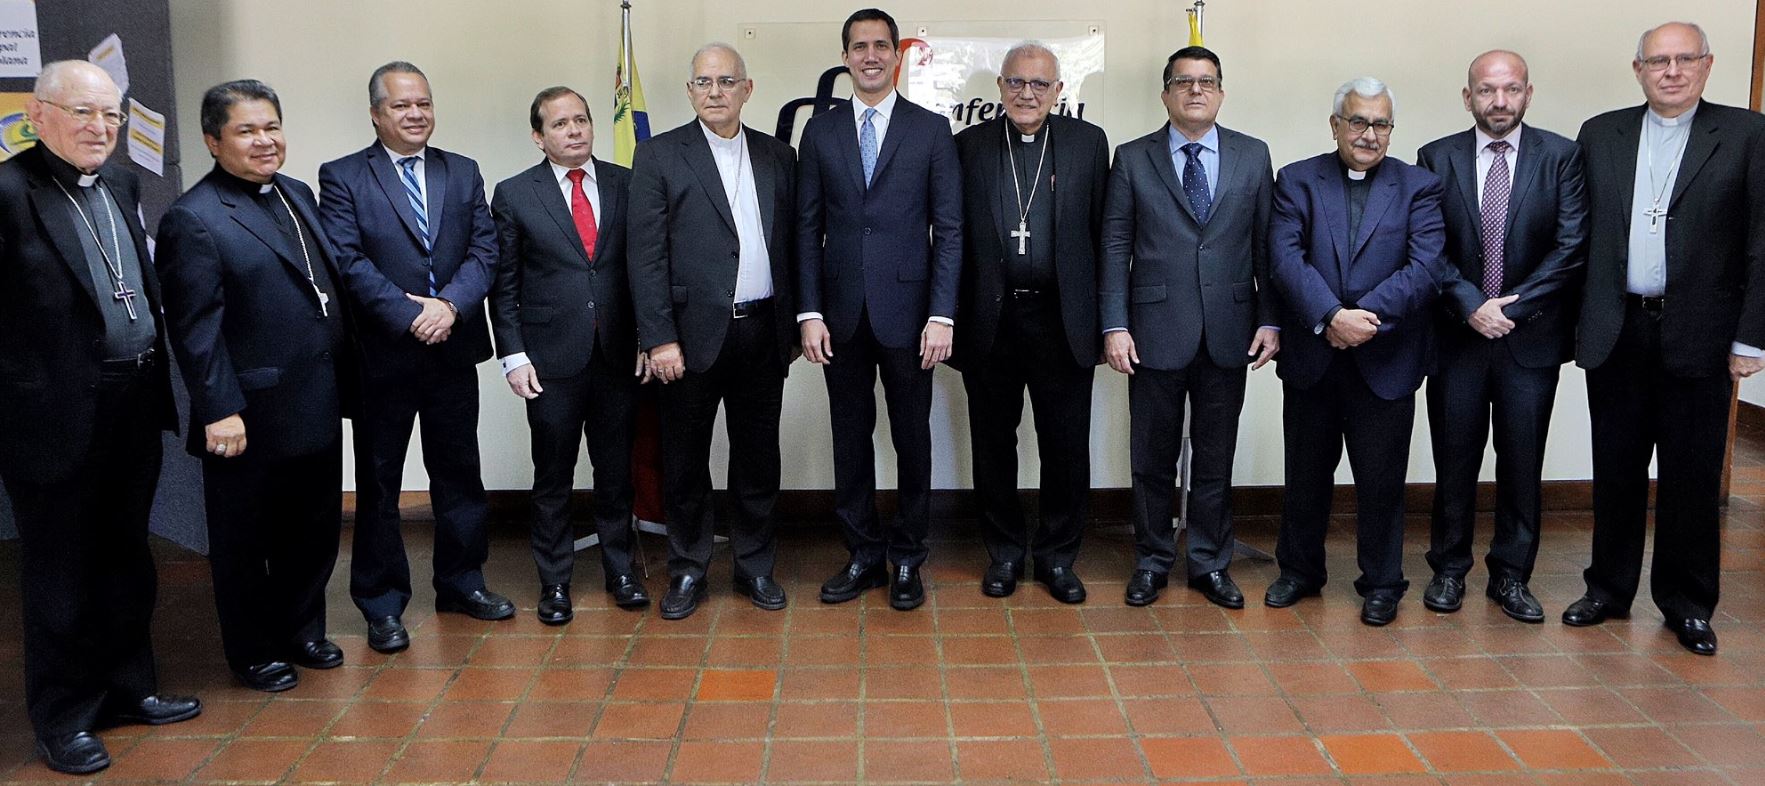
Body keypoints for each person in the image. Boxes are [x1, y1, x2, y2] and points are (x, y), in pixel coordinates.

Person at [0, 59, 200, 775]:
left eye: (111, 114)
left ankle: (127, 690)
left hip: (131, 403)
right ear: (38, 115)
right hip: (51, 419)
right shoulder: (6, 191)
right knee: (60, 572)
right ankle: (64, 717)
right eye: (83, 112)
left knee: (125, 558)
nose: (101, 128)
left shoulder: (119, 182)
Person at [1564, 21, 1765, 656]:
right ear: (1638, 69)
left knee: (1692, 474)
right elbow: (1578, 238)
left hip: (1703, 336)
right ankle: (1608, 588)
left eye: (1684, 59)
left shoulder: (1748, 135)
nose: (1671, 71)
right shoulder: (1601, 135)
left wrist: (1752, 338)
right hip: (1617, 328)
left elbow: (1764, 244)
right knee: (1615, 468)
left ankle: (1687, 602)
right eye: (1659, 61)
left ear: (1707, 66)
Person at [158, 79, 358, 692]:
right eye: (247, 130)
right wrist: (219, 408)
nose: (265, 140)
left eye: (271, 126)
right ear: (214, 141)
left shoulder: (296, 193)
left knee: (313, 527)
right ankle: (252, 650)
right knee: (246, 542)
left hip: (317, 398)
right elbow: (196, 332)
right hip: (247, 415)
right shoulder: (193, 219)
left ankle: (301, 628)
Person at [317, 61, 512, 653]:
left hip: (452, 348)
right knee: (380, 482)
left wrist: (448, 307)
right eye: (402, 105)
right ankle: (381, 604)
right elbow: (347, 262)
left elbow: (486, 249)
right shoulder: (344, 176)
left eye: (423, 103)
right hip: (384, 356)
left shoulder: (464, 171)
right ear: (376, 113)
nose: (416, 114)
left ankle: (461, 583)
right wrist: (410, 316)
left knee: (460, 473)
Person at [1265, 77, 1448, 626]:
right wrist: (1330, 317)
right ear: (1335, 124)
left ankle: (1383, 581)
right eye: (1358, 121)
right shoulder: (1296, 179)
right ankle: (1299, 571)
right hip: (1313, 356)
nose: (1369, 134)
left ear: (1392, 129)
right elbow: (1284, 257)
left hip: (1385, 356)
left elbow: (1426, 267)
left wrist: (1361, 319)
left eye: (1381, 123)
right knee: (1305, 474)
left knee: (1382, 479)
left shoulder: (1420, 186)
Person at [796, 7, 962, 611]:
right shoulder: (820, 130)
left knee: (912, 440)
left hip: (912, 313)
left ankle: (908, 558)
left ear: (898, 55)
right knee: (849, 436)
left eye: (881, 46)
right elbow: (806, 227)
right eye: (858, 47)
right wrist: (808, 312)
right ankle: (863, 553)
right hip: (838, 315)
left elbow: (950, 229)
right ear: (845, 58)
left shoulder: (930, 129)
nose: (870, 56)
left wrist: (941, 314)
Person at [1100, 46, 1278, 609]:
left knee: (1215, 456)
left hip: (1230, 329)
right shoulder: (1132, 158)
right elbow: (1114, 247)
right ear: (1166, 94)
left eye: (1206, 82)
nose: (1195, 90)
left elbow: (1266, 247)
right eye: (1183, 82)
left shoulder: (1254, 156)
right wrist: (1114, 324)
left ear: (1221, 92)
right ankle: (1152, 560)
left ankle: (1208, 563)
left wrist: (1270, 318)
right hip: (1152, 331)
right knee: (1151, 458)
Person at [1415, 51, 1587, 623]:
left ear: (1528, 94)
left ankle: (1512, 576)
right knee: (1454, 460)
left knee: (1521, 463)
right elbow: (1428, 248)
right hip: (1458, 340)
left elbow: (1569, 250)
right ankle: (1448, 568)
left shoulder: (1561, 157)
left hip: (1528, 339)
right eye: (1487, 91)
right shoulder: (1434, 158)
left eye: (1511, 90)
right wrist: (1471, 307)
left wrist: (1507, 309)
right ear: (1468, 97)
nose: (1499, 102)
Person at [629, 44, 799, 620]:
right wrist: (658, 338)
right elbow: (644, 257)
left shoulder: (780, 156)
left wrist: (798, 323)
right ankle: (686, 569)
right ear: (689, 90)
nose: (715, 92)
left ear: (747, 90)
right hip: (687, 339)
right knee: (684, 462)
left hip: (762, 333)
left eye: (727, 81)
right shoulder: (658, 156)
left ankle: (755, 568)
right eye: (703, 82)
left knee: (758, 458)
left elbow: (795, 247)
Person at [953, 41, 1108, 604]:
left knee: (1065, 445)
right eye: (1017, 83)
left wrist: (1104, 319)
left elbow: (1102, 238)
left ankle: (1058, 557)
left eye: (1040, 85)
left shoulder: (1088, 144)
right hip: (989, 319)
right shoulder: (967, 146)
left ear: (1059, 92)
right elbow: (952, 238)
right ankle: (1004, 553)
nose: (1027, 94)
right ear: (999, 87)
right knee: (993, 444)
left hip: (1061, 318)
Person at [489, 86, 650, 619]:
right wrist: (512, 354)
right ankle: (554, 582)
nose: (575, 130)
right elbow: (503, 284)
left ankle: (621, 571)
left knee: (615, 473)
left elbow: (644, 271)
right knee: (553, 476)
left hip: (618, 355)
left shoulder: (627, 184)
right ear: (539, 136)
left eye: (581, 119)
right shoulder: (514, 194)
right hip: (550, 360)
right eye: (560, 124)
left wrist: (650, 337)